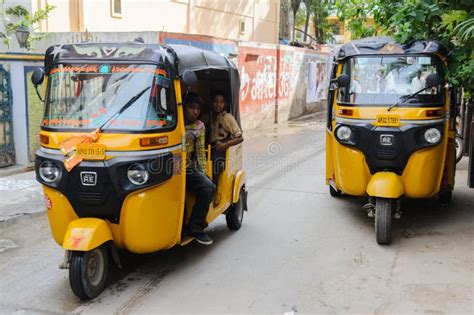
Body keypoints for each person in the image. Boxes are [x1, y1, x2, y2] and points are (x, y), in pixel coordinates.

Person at [184, 92, 215, 245]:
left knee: (209, 187)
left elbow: (200, 152)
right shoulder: (172, 123)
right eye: (191, 107)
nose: (195, 112)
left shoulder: (199, 126)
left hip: (186, 167)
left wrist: (204, 174)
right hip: (168, 166)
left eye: (197, 108)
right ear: (183, 108)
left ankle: (195, 227)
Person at [210, 92, 243, 205]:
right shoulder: (210, 116)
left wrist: (225, 145)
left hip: (220, 152)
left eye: (221, 102)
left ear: (225, 104)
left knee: (214, 170)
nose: (218, 105)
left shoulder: (227, 117)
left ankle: (215, 196)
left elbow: (240, 138)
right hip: (211, 149)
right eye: (215, 101)